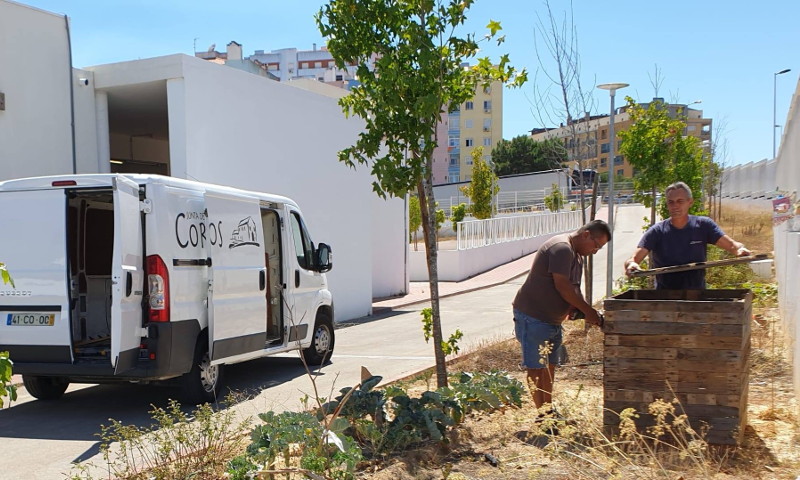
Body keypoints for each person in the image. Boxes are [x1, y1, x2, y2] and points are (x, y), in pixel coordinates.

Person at [512, 219, 610, 412]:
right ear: (586, 235)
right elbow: (563, 286)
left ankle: (548, 411)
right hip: (533, 317)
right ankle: (542, 417)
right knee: (536, 368)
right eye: (596, 245)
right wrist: (589, 311)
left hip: (551, 321)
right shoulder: (562, 248)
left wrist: (583, 311)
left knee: (549, 367)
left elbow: (574, 290)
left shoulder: (577, 256)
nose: (595, 251)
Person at [624, 181, 751, 289]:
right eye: (671, 202)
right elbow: (633, 259)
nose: (675, 206)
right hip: (664, 298)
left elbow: (732, 245)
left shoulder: (703, 225)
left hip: (697, 296)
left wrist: (740, 250)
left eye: (680, 201)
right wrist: (632, 264)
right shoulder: (657, 231)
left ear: (690, 202)